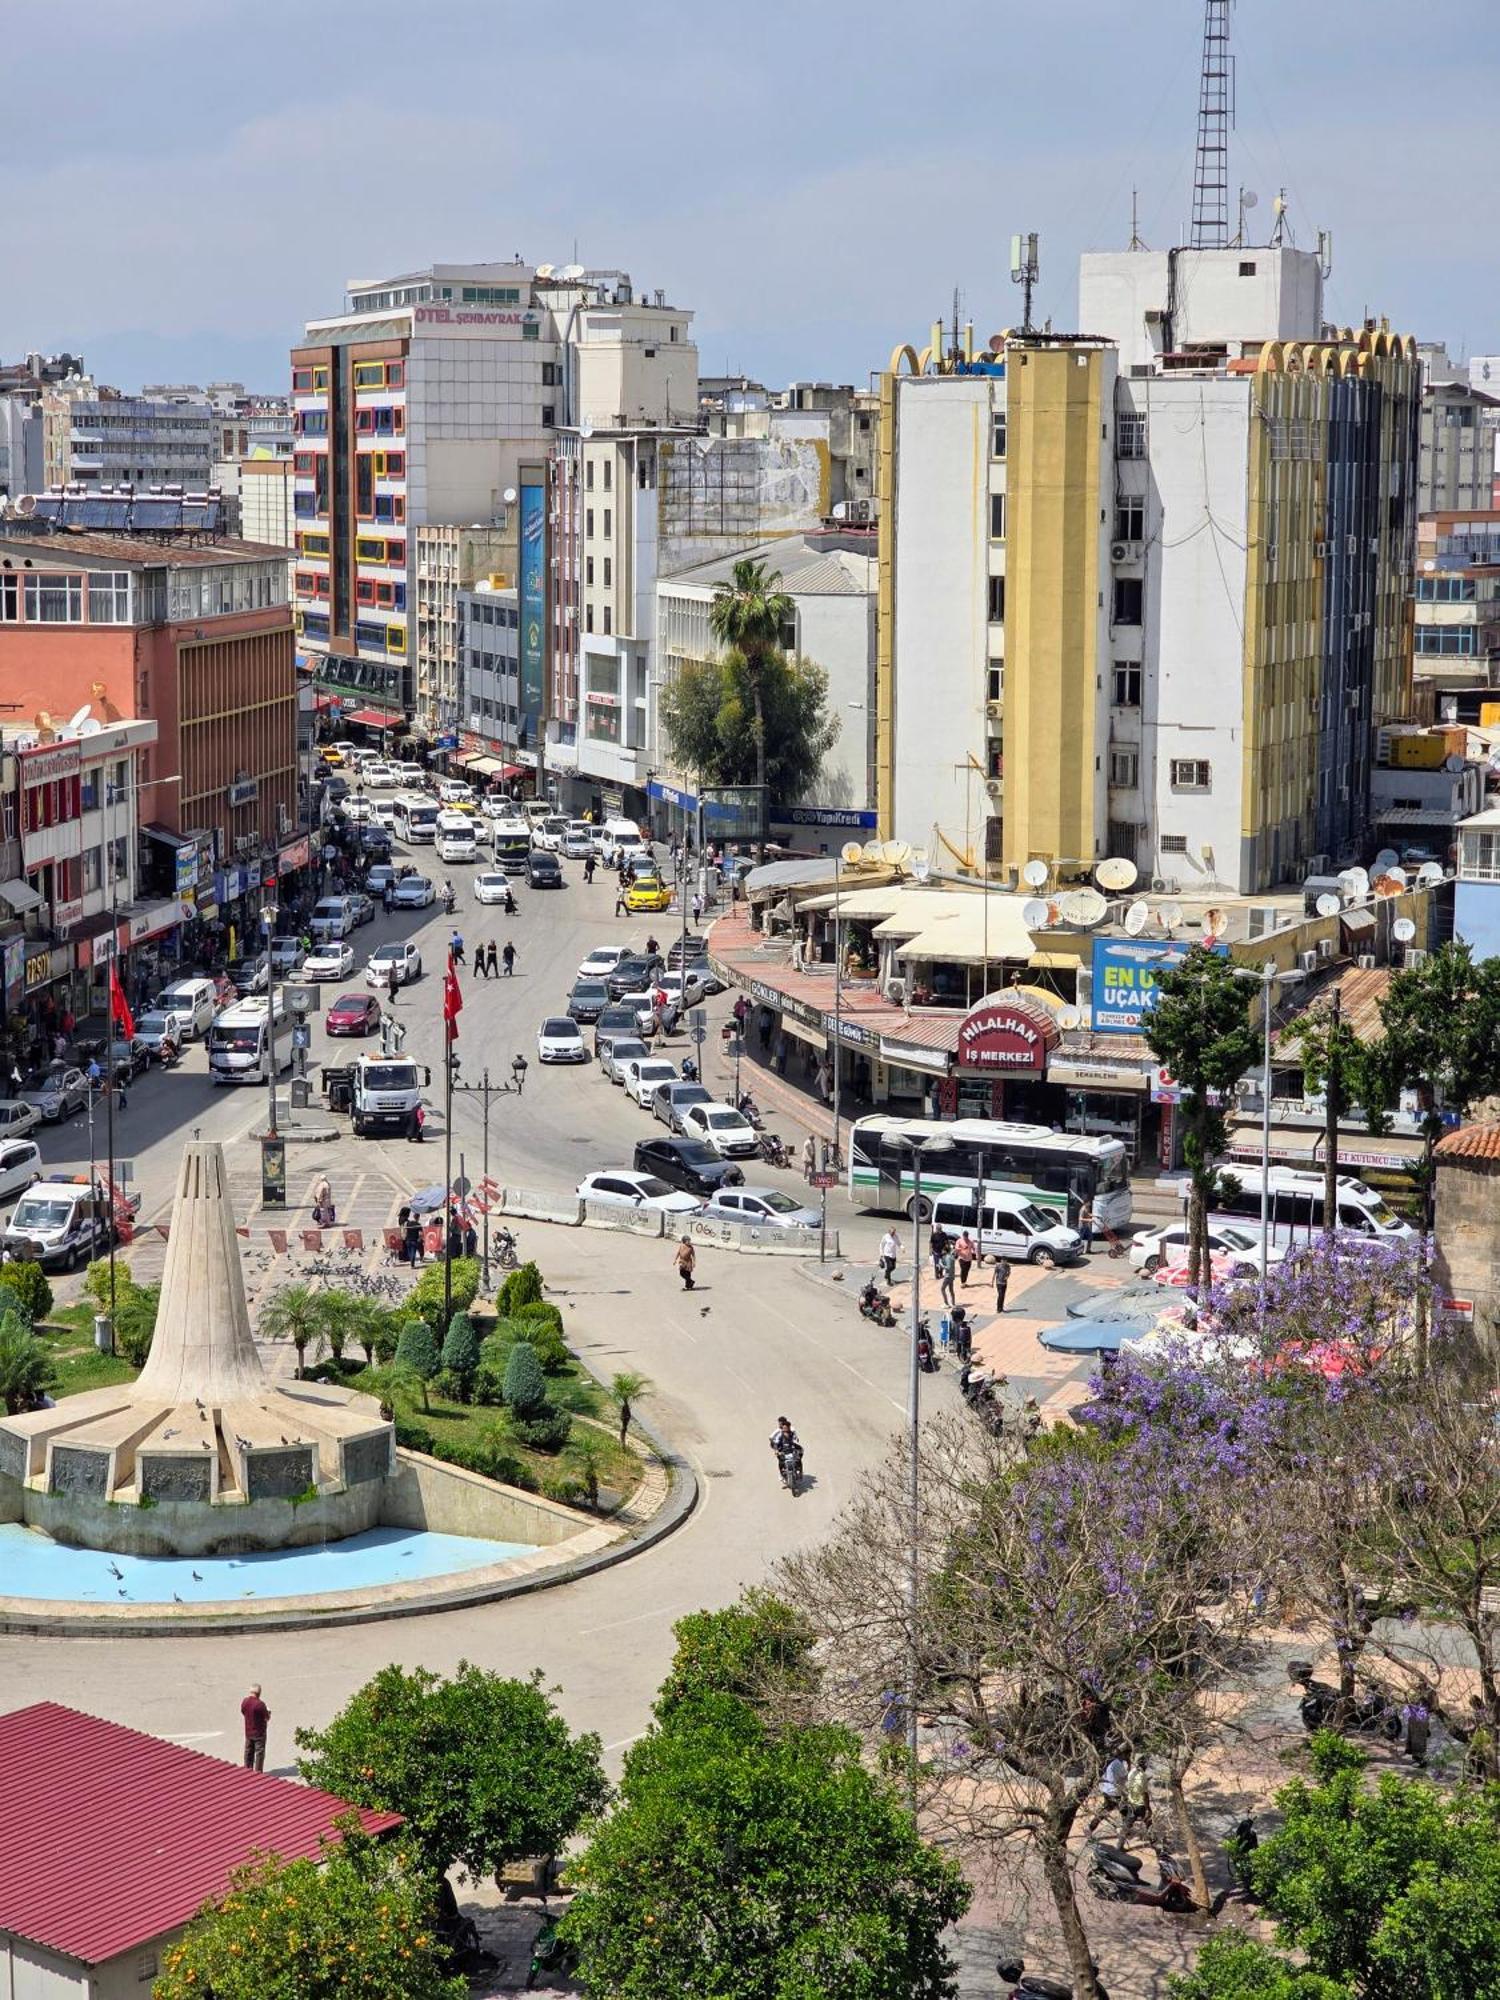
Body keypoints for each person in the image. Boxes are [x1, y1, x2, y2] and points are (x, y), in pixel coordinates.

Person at [1086, 1753, 1129, 1836]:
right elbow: (1124, 1776)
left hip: (1106, 1789)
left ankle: (1123, 1829)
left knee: (1110, 1808)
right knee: (1122, 1809)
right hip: (1114, 1791)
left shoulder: (1108, 1761)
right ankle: (1122, 1829)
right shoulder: (1117, 1763)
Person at [1122, 1758, 1153, 1842]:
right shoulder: (1143, 1776)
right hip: (1140, 1805)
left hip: (1131, 1801)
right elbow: (1145, 1794)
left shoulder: (1132, 1772)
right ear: (1145, 1766)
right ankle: (1153, 1840)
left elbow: (1134, 1784)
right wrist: (1148, 1809)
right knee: (1148, 1820)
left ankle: (1119, 1845)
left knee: (1128, 1824)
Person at [241, 1683, 269, 1772]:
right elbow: (267, 1717)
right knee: (259, 1753)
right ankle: (258, 1771)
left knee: (248, 1752)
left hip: (248, 1731)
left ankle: (247, 1769)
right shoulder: (260, 1704)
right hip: (259, 1733)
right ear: (259, 1693)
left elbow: (243, 1711)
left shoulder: (245, 1702)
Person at [769, 1416, 802, 1485]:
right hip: (782, 1450)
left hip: (791, 1450)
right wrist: (776, 1450)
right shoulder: (779, 1434)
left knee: (798, 1459)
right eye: (783, 1428)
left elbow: (796, 1440)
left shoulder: (792, 1433)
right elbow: (774, 1441)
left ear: (789, 1427)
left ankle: (799, 1472)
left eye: (786, 1428)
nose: (784, 1429)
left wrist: (798, 1448)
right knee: (781, 1462)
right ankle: (782, 1475)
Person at [938, 1242, 958, 1308]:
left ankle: (946, 1303)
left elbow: (948, 1267)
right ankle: (953, 1303)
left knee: (942, 1289)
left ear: (945, 1251)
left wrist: (941, 1265)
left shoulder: (947, 1257)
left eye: (942, 1250)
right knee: (951, 1290)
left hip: (948, 1276)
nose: (942, 1252)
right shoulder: (951, 1256)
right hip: (952, 1275)